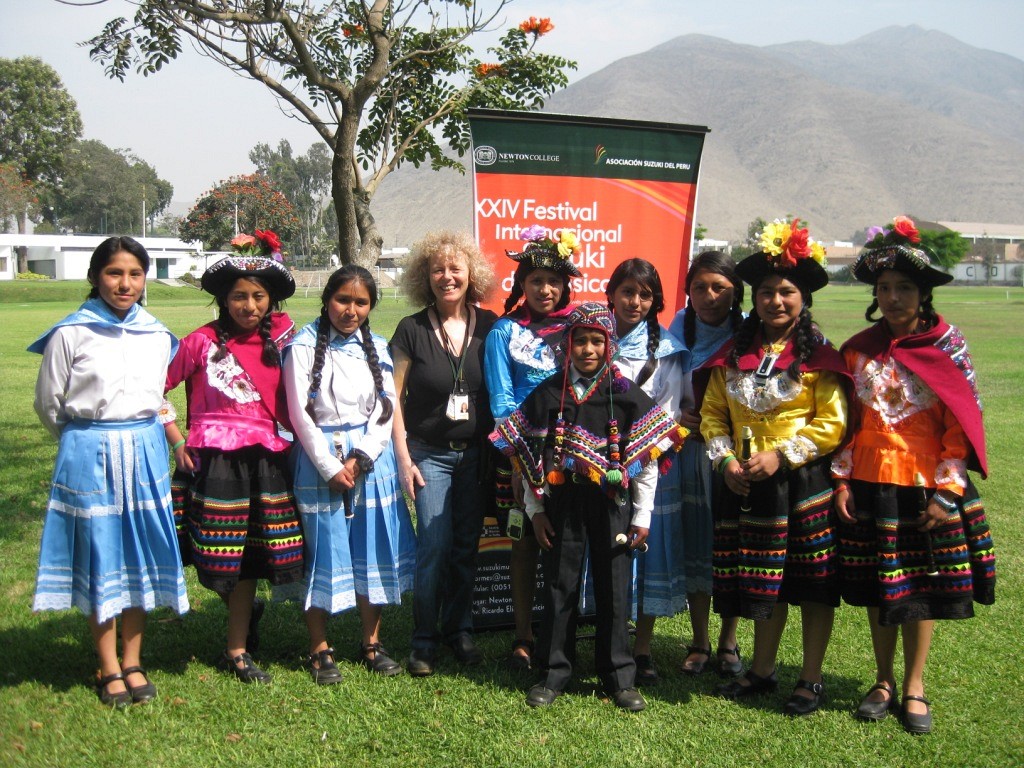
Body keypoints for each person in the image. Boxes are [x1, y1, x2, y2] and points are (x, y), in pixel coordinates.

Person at [832, 216, 996, 734]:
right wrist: (841, 479)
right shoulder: (857, 350)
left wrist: (946, 492)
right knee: (883, 585)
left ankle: (914, 685)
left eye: (904, 287)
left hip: (927, 483)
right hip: (869, 480)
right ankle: (881, 680)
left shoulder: (948, 345)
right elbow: (848, 422)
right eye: (884, 287)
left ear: (923, 293)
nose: (893, 296)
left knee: (919, 587)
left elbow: (961, 422)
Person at [491, 303, 688, 711]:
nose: (588, 349)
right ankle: (554, 672)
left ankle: (619, 677)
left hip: (612, 503)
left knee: (615, 588)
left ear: (609, 344)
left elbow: (646, 460)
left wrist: (642, 514)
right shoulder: (549, 392)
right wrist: (536, 512)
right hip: (562, 503)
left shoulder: (627, 395)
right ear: (567, 344)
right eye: (580, 340)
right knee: (560, 585)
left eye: (597, 340)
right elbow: (526, 458)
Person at [30, 236, 189, 707]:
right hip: (88, 449)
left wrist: (170, 438)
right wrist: (83, 440)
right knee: (101, 554)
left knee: (138, 553)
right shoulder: (71, 333)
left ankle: (134, 659)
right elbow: (48, 403)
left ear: (145, 279)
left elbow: (158, 397)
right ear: (96, 277)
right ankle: (107, 664)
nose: (125, 283)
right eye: (114, 273)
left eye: (135, 274)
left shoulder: (157, 334)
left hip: (143, 451)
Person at [698, 219, 849, 715]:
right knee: (764, 580)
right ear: (754, 298)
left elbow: (831, 422)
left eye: (786, 292)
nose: (776, 302)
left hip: (802, 483)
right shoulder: (733, 355)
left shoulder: (820, 358)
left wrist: (781, 455)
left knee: (811, 583)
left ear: (803, 299)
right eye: (766, 293)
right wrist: (726, 464)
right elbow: (713, 415)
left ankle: (810, 678)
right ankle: (762, 669)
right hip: (745, 484)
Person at [163, 249, 304, 685]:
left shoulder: (284, 343)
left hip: (266, 462)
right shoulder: (198, 342)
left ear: (271, 300)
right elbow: (153, 390)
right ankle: (245, 615)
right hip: (214, 463)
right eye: (239, 296)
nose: (250, 306)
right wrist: (176, 440)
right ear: (224, 299)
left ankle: (236, 650)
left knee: (247, 561)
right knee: (215, 557)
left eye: (259, 296)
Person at [285, 265, 415, 680]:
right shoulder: (302, 346)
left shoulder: (377, 347)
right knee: (322, 547)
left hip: (369, 463)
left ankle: (371, 641)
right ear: (327, 300)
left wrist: (361, 458)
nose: (351, 310)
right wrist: (328, 465)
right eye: (343, 300)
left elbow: (385, 410)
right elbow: (299, 414)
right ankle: (319, 646)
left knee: (369, 547)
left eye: (361, 302)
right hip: (319, 459)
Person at [390, 231, 498, 677]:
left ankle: (460, 629)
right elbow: (392, 398)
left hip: (477, 456)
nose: (447, 276)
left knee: (465, 546)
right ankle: (424, 639)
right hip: (429, 455)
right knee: (433, 547)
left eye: (455, 268)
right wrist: (403, 459)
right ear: (424, 276)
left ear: (471, 274)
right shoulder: (411, 329)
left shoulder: (491, 325)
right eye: (438, 269)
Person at [483, 225, 580, 671]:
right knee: (523, 544)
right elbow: (502, 400)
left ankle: (562, 633)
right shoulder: (504, 332)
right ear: (522, 283)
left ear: (565, 287)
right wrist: (522, 459)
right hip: (520, 456)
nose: (545, 288)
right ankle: (523, 636)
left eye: (554, 281)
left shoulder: (580, 328)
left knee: (569, 544)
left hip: (575, 454)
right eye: (536, 280)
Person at [605, 258, 688, 685]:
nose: (634, 302)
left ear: (654, 301)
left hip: (647, 468)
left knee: (644, 554)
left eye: (644, 295)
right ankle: (609, 640)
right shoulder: (591, 337)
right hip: (596, 467)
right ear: (612, 293)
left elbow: (669, 416)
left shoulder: (668, 352)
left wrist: (636, 460)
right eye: (627, 292)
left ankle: (641, 649)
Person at [667, 252, 745, 678]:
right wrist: (680, 417)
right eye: (700, 287)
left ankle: (729, 639)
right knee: (698, 539)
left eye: (720, 287)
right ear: (688, 291)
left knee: (728, 542)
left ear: (736, 291)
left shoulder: (750, 330)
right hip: (687, 453)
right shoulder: (677, 328)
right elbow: (662, 387)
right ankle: (699, 639)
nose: (709, 296)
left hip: (732, 455)